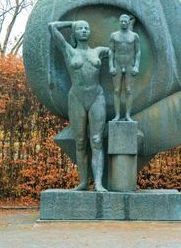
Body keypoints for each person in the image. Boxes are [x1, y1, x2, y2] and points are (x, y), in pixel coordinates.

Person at [48, 20, 109, 192]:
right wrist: (71, 23)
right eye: (80, 28)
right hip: (76, 99)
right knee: (81, 142)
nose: (83, 30)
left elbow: (120, 49)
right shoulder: (69, 50)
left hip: (97, 97)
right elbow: (52, 27)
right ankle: (83, 182)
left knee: (96, 140)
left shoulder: (98, 51)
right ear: (74, 33)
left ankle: (98, 183)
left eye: (86, 28)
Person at [109, 14, 141, 121]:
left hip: (129, 64)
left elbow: (138, 52)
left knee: (129, 90)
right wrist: (111, 66)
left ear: (128, 22)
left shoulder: (134, 36)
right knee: (117, 90)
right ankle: (117, 115)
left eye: (125, 21)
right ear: (119, 22)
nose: (123, 23)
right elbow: (111, 51)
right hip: (117, 64)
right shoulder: (114, 35)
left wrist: (136, 66)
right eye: (121, 21)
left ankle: (128, 115)